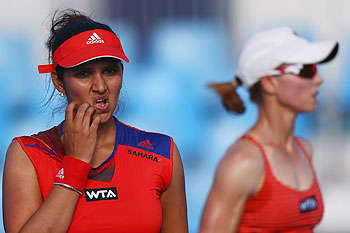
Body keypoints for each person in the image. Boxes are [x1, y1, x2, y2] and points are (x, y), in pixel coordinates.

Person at [3, 9, 188, 233]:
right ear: (59, 82)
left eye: (110, 71)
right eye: (84, 74)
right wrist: (75, 163)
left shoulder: (162, 154)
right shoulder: (28, 154)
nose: (100, 86)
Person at [199, 27, 338, 232]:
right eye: (306, 70)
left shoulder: (305, 150)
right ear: (270, 82)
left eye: (316, 68)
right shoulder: (242, 163)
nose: (319, 79)